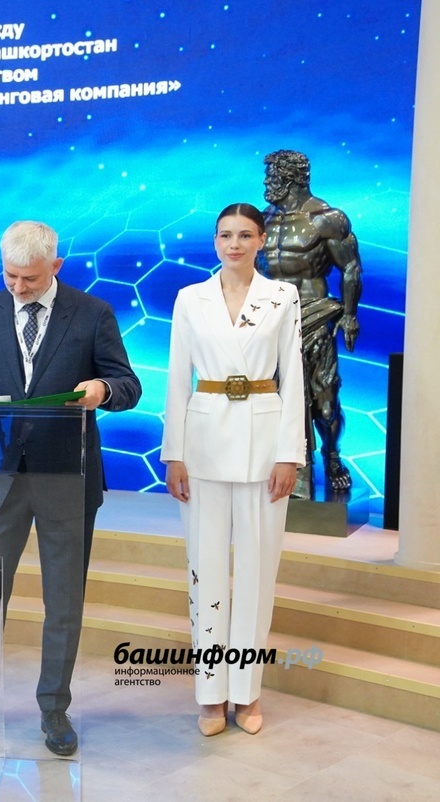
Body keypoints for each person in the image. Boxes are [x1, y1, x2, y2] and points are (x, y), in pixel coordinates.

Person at [0, 220, 141, 756]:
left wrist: (102, 389)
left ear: (56, 266)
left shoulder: (92, 313)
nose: (18, 287)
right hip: (0, 476)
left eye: (29, 278)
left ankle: (54, 708)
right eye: (10, 276)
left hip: (67, 476)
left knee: (63, 600)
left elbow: (128, 385)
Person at [162, 203, 305, 736]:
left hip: (265, 444)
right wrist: (173, 452)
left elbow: (294, 375)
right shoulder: (190, 298)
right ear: (215, 241)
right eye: (226, 235)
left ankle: (246, 692)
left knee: (257, 573)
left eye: (245, 235)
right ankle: (210, 694)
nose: (235, 244)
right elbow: (177, 377)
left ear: (262, 240)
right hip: (202, 443)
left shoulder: (282, 296)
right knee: (204, 569)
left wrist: (290, 453)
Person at [261, 150, 362, 495]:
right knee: (272, 399)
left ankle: (331, 453)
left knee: (325, 405)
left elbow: (350, 267)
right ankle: (288, 466)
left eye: (272, 175)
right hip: (270, 320)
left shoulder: (326, 219)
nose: (267, 182)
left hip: (314, 316)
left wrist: (349, 315)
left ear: (290, 178)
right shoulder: (261, 221)